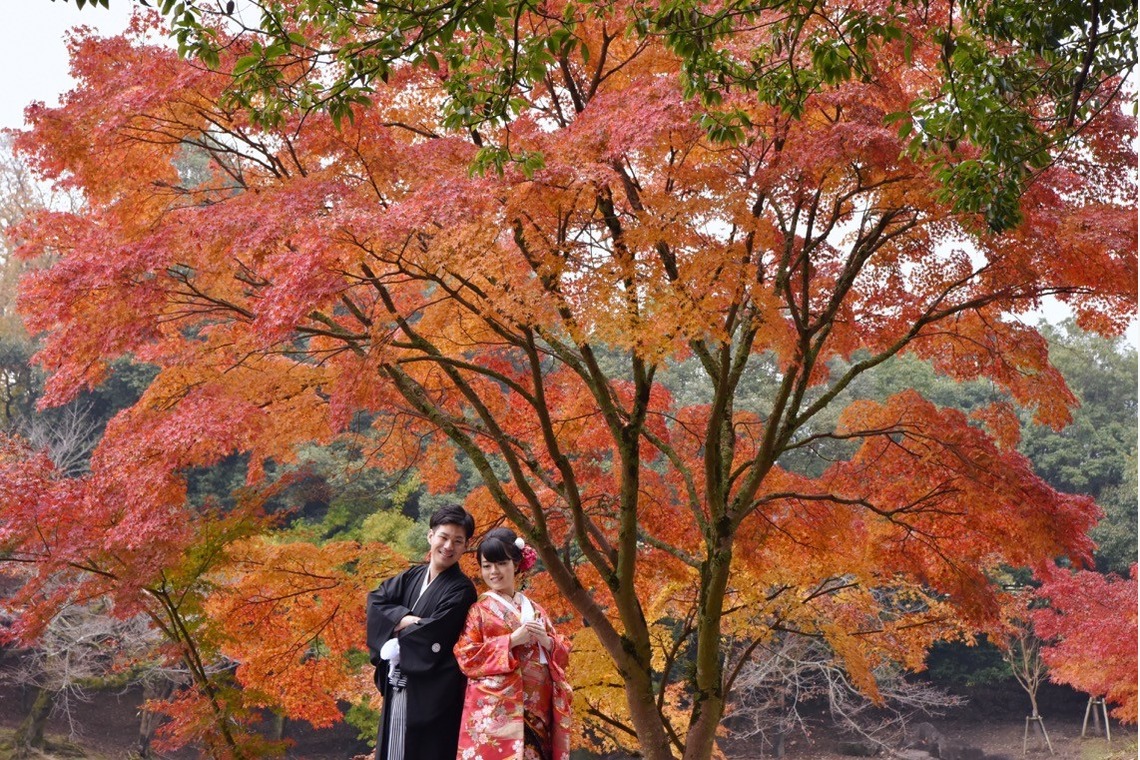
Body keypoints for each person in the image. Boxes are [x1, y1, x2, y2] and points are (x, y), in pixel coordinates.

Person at [366, 505, 478, 760]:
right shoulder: (412, 576)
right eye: (444, 537)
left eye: (458, 541)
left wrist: (395, 627)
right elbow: (376, 601)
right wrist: (406, 619)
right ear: (431, 536)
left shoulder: (461, 590)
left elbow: (433, 632)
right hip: (398, 683)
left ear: (465, 546)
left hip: (433, 695)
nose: (449, 546)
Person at [454, 527, 572, 760]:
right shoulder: (479, 612)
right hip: (497, 709)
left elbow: (563, 654)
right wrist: (510, 641)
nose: (493, 572)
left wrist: (547, 642)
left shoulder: (535, 610)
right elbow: (466, 656)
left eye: (500, 564)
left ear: (516, 564)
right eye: (486, 566)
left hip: (537, 710)